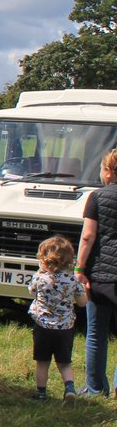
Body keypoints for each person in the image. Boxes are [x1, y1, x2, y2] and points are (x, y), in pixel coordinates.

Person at [76, 148, 117, 398]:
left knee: (96, 334)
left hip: (101, 276)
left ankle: (95, 388)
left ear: (108, 171)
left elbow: (88, 236)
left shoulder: (97, 197)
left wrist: (80, 269)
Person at [28, 235, 87, 400]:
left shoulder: (40, 278)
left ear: (44, 259)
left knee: (42, 362)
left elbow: (31, 291)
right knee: (65, 362)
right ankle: (69, 388)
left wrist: (40, 272)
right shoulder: (72, 281)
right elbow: (82, 303)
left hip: (43, 327)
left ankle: (41, 393)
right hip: (65, 328)